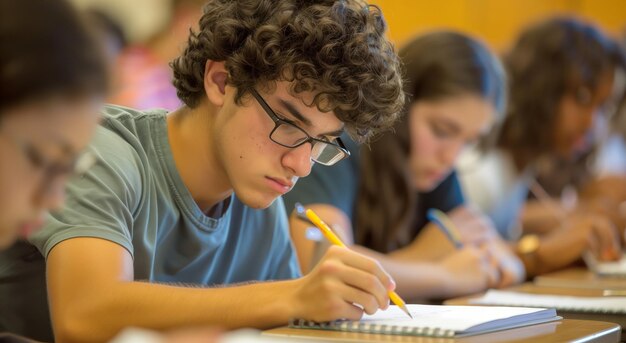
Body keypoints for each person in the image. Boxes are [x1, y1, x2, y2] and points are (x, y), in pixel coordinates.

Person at [0, 0, 406, 341]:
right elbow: (85, 315)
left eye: (321, 143)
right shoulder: (105, 153)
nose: (300, 164)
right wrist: (294, 296)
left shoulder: (261, 204)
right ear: (220, 80)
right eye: (289, 126)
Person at [283, 31, 525, 302]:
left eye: (469, 141)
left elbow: (501, 262)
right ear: (400, 104)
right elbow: (324, 264)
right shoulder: (338, 145)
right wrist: (441, 272)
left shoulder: (436, 170)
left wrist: (479, 265)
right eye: (442, 130)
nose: (451, 157)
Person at [459, 17, 624, 277]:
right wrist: (541, 250)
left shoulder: (522, 165)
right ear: (541, 87)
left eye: (603, 107)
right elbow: (453, 259)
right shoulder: (480, 170)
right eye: (582, 97)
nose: (593, 123)